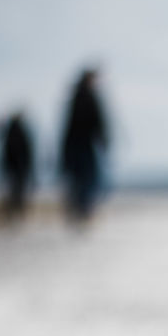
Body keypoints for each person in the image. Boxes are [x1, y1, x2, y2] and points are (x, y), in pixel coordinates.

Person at [59, 68, 107, 222]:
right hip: (85, 145)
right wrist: (103, 139)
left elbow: (68, 126)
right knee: (88, 179)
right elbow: (98, 122)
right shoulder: (89, 97)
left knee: (78, 180)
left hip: (75, 145)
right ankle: (84, 211)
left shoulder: (75, 97)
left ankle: (78, 210)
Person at [0, 112, 34, 220]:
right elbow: (26, 150)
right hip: (19, 167)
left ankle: (14, 209)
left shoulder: (10, 132)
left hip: (14, 167)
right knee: (18, 189)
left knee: (14, 189)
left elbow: (7, 152)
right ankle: (16, 209)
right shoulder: (20, 131)